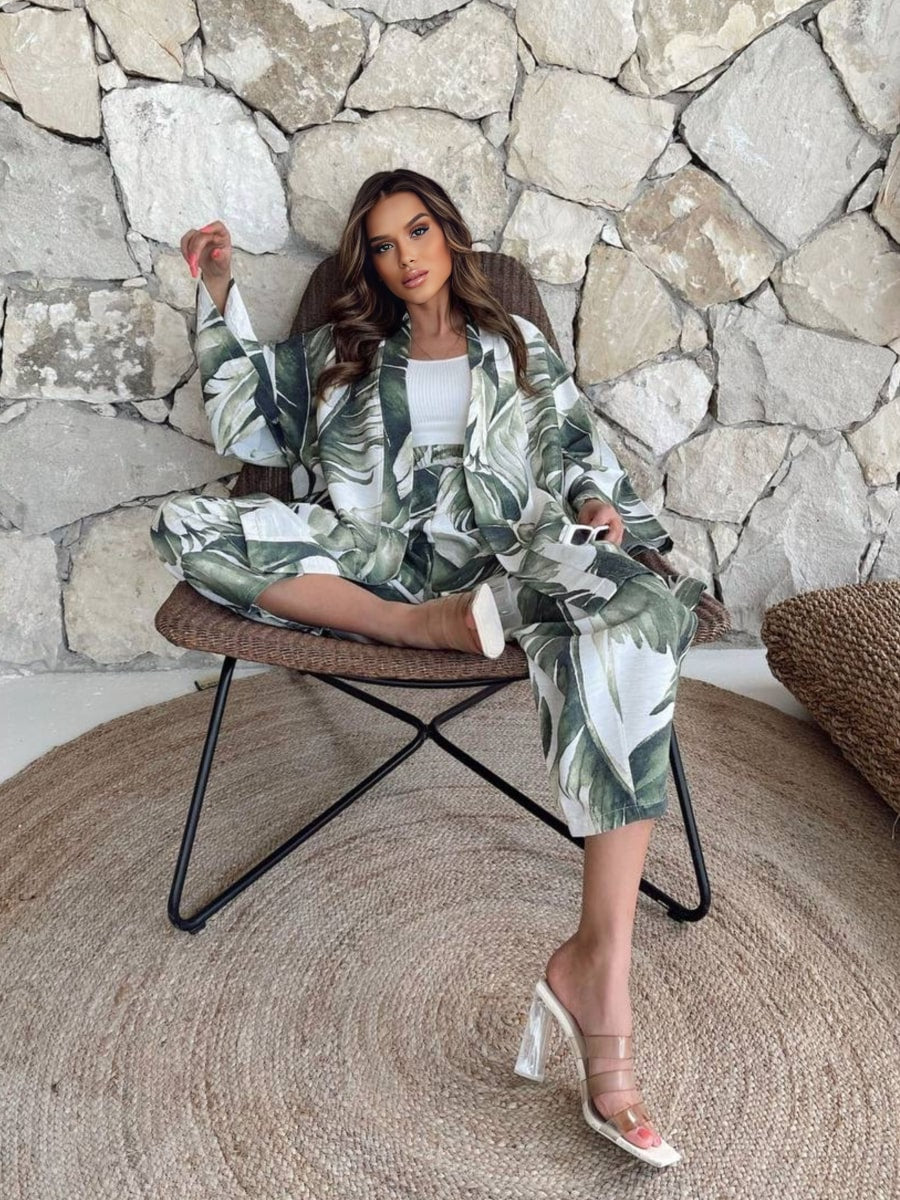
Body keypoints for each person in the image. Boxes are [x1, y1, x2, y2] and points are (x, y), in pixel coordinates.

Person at [151, 168, 707, 1168]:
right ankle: (417, 629)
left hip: (507, 562)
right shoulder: (344, 353)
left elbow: (577, 458)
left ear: (449, 235)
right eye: (383, 244)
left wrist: (595, 509)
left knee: (639, 609)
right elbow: (247, 422)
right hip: (382, 567)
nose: (406, 257)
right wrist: (219, 287)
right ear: (368, 264)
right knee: (188, 523)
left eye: (418, 232)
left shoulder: (516, 344)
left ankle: (601, 967)